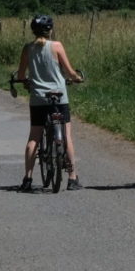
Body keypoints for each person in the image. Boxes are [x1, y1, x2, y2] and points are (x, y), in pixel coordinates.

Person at [15, 14, 84, 192]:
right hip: (59, 97)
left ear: (33, 31)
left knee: (34, 138)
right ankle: (72, 177)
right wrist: (77, 78)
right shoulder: (57, 46)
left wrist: (26, 82)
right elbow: (69, 72)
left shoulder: (28, 48)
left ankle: (28, 179)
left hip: (38, 98)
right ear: (50, 30)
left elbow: (21, 75)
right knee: (66, 135)